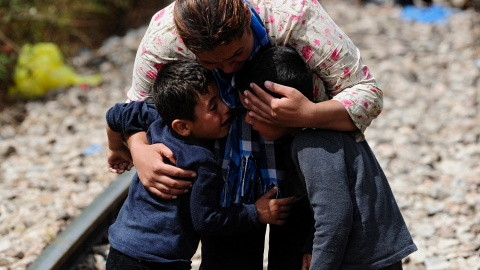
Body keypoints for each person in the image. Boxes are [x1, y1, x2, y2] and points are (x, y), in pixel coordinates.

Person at [110, 0, 384, 268]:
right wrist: (139, 149)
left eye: (236, 54)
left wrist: (305, 114)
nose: (229, 69)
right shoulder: (164, 37)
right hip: (223, 174)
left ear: (246, 15)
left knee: (294, 257)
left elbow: (366, 94)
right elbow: (138, 107)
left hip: (298, 160)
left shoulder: (294, 17)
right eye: (211, 63)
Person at [234, 45, 418, 270]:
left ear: (278, 107)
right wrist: (311, 246)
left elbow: (334, 218)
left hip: (364, 260)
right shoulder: (325, 126)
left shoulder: (310, 144)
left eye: (253, 112)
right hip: (378, 251)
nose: (248, 122)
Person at [105, 60, 295, 270]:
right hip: (159, 262)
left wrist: (116, 148)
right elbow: (207, 220)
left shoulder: (157, 118)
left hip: (121, 248)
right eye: (213, 107)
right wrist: (256, 213)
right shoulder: (200, 162)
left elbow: (116, 114)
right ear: (183, 126)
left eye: (221, 98)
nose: (226, 108)